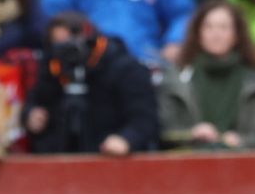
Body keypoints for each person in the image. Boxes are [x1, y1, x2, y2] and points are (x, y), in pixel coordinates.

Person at [24, 12, 160, 155]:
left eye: (70, 43)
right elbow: (36, 102)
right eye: (58, 45)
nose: (65, 51)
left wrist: (127, 139)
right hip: (61, 160)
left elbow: (145, 118)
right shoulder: (52, 68)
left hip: (111, 159)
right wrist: (31, 115)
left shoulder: (123, 68)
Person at [161, 0, 255, 150]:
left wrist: (239, 141)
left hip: (240, 164)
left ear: (237, 35)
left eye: (224, 27)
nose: (216, 34)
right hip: (188, 163)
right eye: (209, 27)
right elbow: (163, 131)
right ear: (198, 33)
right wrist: (191, 134)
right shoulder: (176, 78)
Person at [38, 0, 194, 67]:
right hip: (90, 63)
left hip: (145, 61)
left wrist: (175, 41)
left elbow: (182, 13)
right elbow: (55, 13)